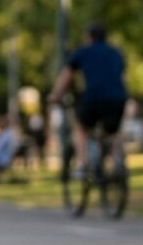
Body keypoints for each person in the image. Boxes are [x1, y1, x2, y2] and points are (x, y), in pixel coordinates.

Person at [48, 22, 127, 179]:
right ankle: (118, 161)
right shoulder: (116, 53)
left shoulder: (83, 52)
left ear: (88, 37)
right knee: (112, 132)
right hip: (118, 98)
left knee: (80, 128)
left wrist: (55, 96)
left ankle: (82, 165)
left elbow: (66, 76)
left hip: (94, 97)